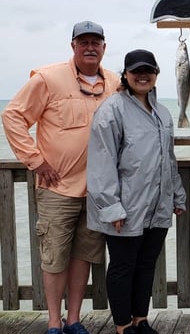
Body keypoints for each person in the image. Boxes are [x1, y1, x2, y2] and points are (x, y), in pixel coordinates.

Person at [1, 21, 120, 334]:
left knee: (84, 256)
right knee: (54, 258)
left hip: (98, 191)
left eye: (96, 42)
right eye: (84, 42)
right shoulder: (47, 77)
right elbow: (12, 116)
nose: (90, 47)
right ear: (73, 47)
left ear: (104, 47)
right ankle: (54, 322)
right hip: (57, 189)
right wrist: (35, 160)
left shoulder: (116, 83)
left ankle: (74, 319)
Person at [86, 49, 187, 334]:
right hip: (125, 207)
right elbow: (101, 161)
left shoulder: (163, 113)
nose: (143, 76)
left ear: (156, 74)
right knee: (122, 266)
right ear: (126, 75)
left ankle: (140, 320)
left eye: (148, 71)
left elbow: (168, 159)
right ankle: (122, 325)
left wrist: (177, 196)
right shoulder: (112, 109)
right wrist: (111, 207)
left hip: (157, 206)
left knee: (146, 265)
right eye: (136, 71)